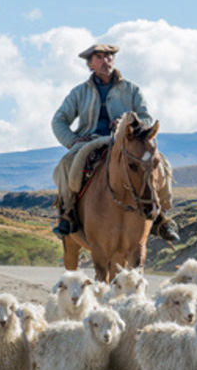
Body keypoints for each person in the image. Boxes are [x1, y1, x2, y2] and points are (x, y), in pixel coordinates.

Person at [50, 43, 179, 242]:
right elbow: (59, 120)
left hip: (127, 141)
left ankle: (162, 216)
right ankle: (67, 214)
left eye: (109, 57)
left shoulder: (131, 89)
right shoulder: (79, 93)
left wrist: (129, 121)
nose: (105, 61)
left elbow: (146, 118)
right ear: (90, 65)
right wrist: (73, 140)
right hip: (91, 141)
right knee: (66, 165)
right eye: (99, 57)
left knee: (161, 163)